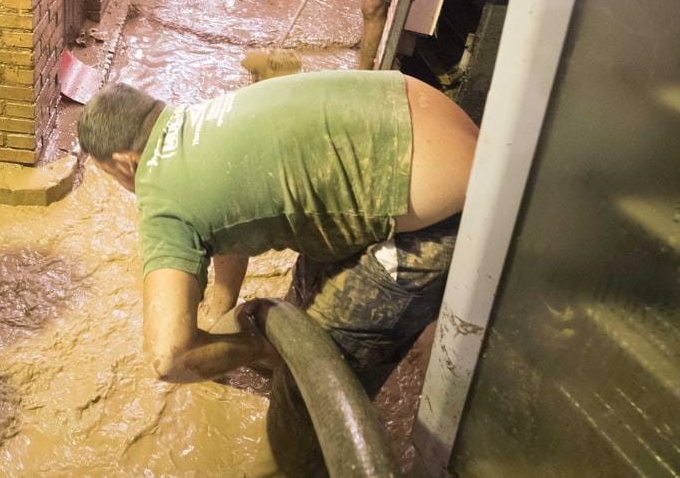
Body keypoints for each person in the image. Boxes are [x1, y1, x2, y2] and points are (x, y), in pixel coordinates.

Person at [77, 72, 478, 475]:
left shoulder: (162, 198)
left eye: (110, 177)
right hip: (423, 120)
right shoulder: (198, 120)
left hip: (455, 213)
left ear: (123, 163)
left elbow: (168, 357)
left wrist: (259, 348)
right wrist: (222, 314)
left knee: (308, 384)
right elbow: (224, 226)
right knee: (305, 295)